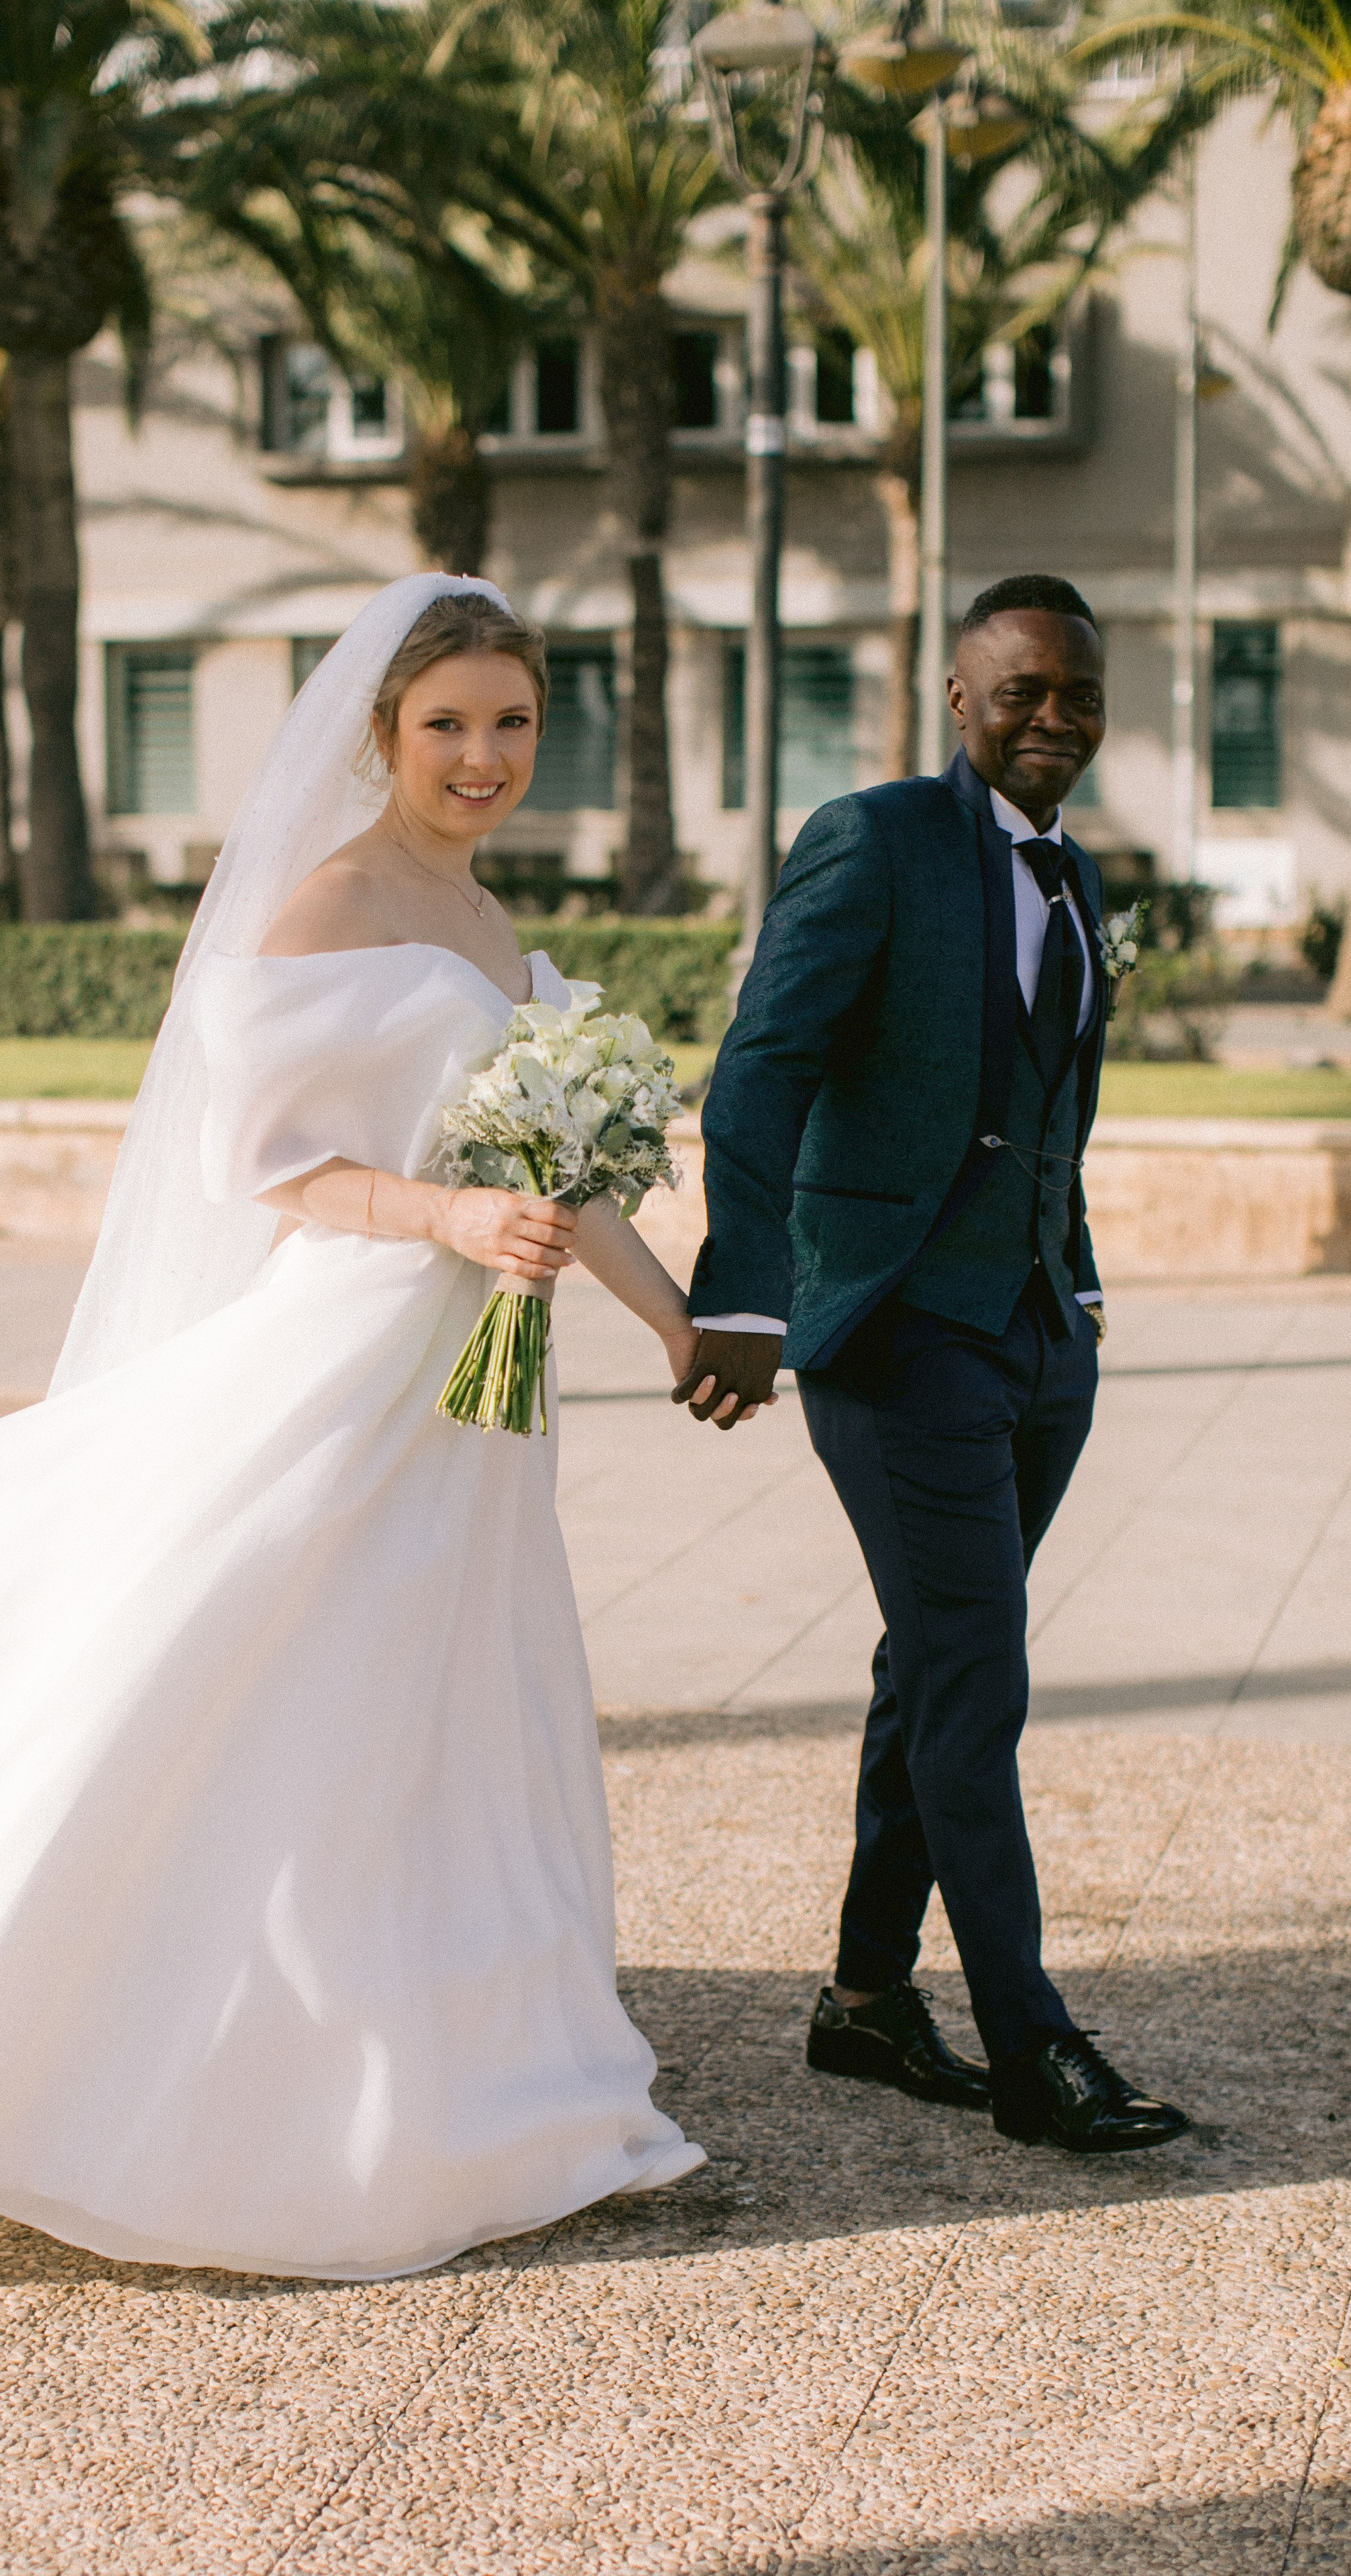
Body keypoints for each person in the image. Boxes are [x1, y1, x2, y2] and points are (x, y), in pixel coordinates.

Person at [0, 575, 705, 2298]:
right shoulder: (327, 903)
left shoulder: (499, 923)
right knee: (226, 1671)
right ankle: (149, 2073)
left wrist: (672, 1317)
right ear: (382, 735)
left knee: (439, 1699)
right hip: (347, 1360)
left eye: (511, 722)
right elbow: (272, 1172)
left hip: (478, 1399)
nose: (482, 755)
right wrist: (441, 1221)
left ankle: (460, 2076)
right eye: (447, 726)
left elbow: (559, 1181)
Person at [674, 575, 1189, 2156]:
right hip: (895, 1329)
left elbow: (1055, 1107)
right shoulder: (876, 838)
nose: (1054, 719)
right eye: (1023, 690)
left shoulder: (1075, 871)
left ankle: (863, 1999)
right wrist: (742, 1296)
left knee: (929, 1654)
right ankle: (1032, 2047)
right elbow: (760, 1067)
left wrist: (1076, 1287)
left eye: (1077, 697)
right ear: (956, 699)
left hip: (1032, 1332)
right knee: (975, 1669)